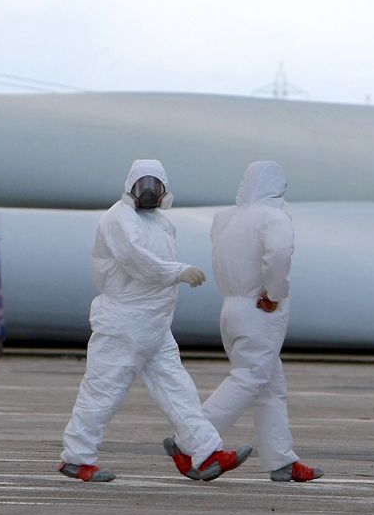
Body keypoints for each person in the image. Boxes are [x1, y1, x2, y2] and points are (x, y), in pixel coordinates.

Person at [59, 159, 252, 483]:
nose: (149, 191)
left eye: (155, 184)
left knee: (179, 390)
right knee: (102, 392)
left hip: (156, 325)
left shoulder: (162, 223)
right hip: (123, 324)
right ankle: (77, 458)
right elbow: (136, 260)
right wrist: (178, 272)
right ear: (130, 186)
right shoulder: (118, 219)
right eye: (143, 184)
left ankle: (203, 452)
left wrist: (173, 276)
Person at [167, 161, 323, 483]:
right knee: (250, 377)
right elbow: (279, 255)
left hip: (232, 306)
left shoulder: (226, 219)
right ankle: (189, 442)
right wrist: (275, 293)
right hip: (259, 308)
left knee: (269, 384)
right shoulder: (273, 216)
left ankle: (281, 459)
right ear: (278, 187)